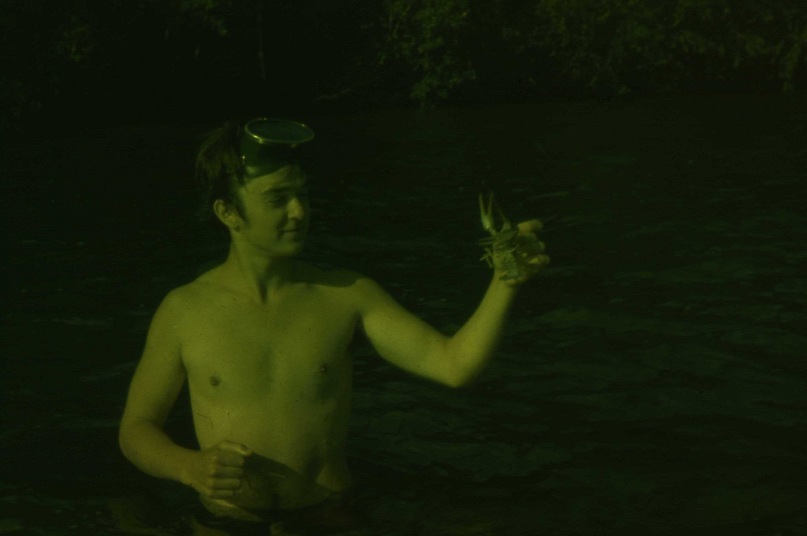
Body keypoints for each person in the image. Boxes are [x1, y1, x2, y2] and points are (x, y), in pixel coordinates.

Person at [118, 118, 549, 535]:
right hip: (225, 521)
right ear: (228, 211)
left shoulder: (346, 295)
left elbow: (455, 365)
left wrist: (505, 280)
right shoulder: (184, 310)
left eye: (302, 194)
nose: (299, 211)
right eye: (277, 198)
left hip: (329, 516)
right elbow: (136, 427)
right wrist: (188, 467)